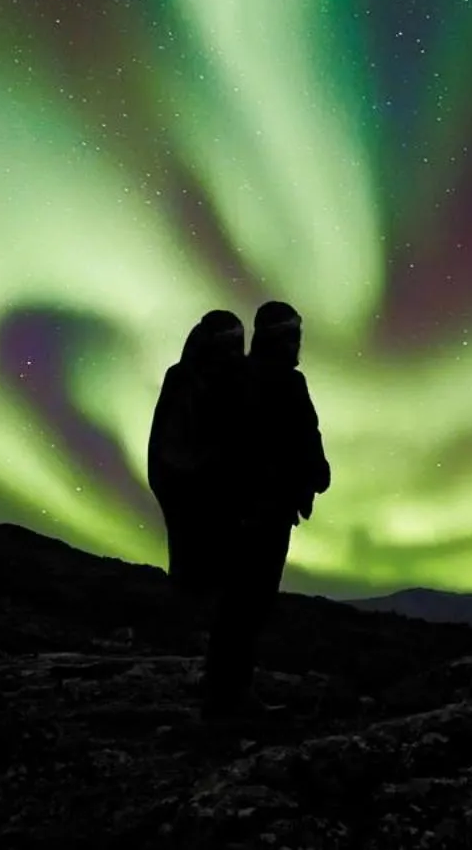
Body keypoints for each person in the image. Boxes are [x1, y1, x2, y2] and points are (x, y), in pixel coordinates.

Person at [199, 298, 331, 715]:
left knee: (235, 607)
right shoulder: (288, 384)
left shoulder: (232, 378)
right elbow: (305, 440)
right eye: (294, 338)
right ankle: (231, 699)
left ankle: (224, 695)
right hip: (266, 514)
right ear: (281, 338)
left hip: (232, 514)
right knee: (249, 606)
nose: (298, 347)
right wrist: (314, 476)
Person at [145, 308, 246, 597]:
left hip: (204, 485)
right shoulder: (185, 380)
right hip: (188, 485)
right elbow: (172, 441)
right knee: (192, 564)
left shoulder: (229, 381)